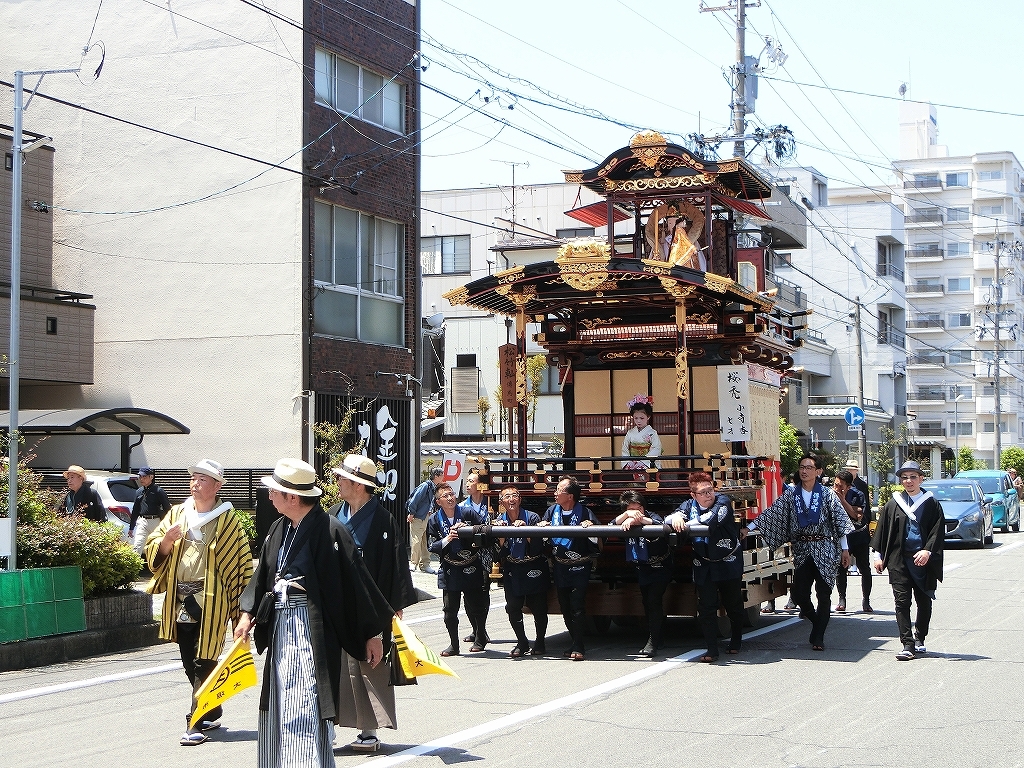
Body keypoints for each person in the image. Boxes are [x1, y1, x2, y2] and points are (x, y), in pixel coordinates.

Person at [235, 458, 394, 767]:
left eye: (275, 491)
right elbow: (262, 576)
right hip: (281, 628)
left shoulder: (332, 531)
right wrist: (246, 614)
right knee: (279, 700)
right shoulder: (279, 528)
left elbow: (357, 585)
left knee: (305, 701)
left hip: (311, 630)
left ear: (293, 497)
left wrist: (372, 633)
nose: (270, 496)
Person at [144, 459, 254, 746]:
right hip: (180, 599)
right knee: (187, 659)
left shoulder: (228, 520)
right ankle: (211, 707)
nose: (195, 483)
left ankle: (194, 722)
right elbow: (154, 547)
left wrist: (244, 612)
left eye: (203, 479)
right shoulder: (178, 513)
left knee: (203, 659)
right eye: (193, 478)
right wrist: (166, 542)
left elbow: (242, 565)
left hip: (212, 600)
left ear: (217, 486)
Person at [329, 454, 417, 753]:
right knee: (332, 666)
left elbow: (394, 568)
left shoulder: (383, 520)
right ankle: (327, 726)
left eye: (342, 478)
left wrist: (390, 611)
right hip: (336, 605)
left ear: (357, 484)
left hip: (370, 604)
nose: (337, 482)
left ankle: (368, 730)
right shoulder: (332, 515)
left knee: (369, 662)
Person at [742, 454, 852, 651]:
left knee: (824, 594)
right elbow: (771, 514)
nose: (804, 471)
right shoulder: (791, 494)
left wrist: (845, 549)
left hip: (825, 547)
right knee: (799, 593)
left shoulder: (827, 494)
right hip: (802, 548)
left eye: (809, 468)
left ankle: (818, 636)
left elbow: (840, 523)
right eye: (802, 467)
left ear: (818, 471)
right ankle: (816, 620)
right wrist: (748, 528)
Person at [666, 473, 744, 662]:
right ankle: (711, 649)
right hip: (703, 562)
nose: (709, 495)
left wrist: (684, 524)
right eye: (703, 492)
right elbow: (669, 519)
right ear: (693, 495)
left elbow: (710, 519)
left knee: (733, 603)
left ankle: (736, 639)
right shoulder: (688, 506)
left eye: (710, 490)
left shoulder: (723, 502)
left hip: (727, 560)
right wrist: (675, 518)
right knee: (706, 607)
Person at [872, 461, 945, 661]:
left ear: (921, 478)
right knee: (901, 602)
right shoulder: (894, 503)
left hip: (923, 561)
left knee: (924, 601)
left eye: (913, 477)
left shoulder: (931, 503)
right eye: (904, 477)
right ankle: (907, 643)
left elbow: (937, 531)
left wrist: (927, 551)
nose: (909, 481)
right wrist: (878, 556)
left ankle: (920, 637)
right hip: (899, 560)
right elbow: (882, 531)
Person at [538, 476, 599, 661]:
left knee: (577, 606)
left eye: (559, 490)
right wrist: (543, 528)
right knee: (564, 606)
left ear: (570, 496)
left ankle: (579, 645)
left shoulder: (585, 512)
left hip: (580, 566)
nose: (555, 493)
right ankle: (574, 641)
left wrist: (591, 529)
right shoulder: (551, 511)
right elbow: (544, 540)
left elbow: (598, 540)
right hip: (560, 566)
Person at [428, 482, 490, 656]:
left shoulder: (467, 513)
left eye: (451, 494)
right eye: (445, 496)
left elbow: (485, 532)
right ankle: (454, 645)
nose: (450, 498)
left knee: (476, 606)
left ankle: (481, 637)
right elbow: (431, 546)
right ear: (438, 501)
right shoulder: (434, 519)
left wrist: (469, 530)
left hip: (471, 565)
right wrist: (448, 538)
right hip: (450, 568)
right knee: (449, 610)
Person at [615, 490, 672, 658]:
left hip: (660, 565)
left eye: (639, 508)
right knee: (646, 601)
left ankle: (652, 643)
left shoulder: (651, 516)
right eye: (631, 509)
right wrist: (626, 516)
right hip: (642, 568)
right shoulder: (624, 518)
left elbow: (661, 524)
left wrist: (638, 519)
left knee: (654, 600)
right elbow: (612, 524)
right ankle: (658, 636)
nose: (636, 512)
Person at [494, 485, 549, 658]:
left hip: (533, 566)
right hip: (513, 567)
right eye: (507, 496)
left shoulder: (531, 517)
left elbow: (539, 547)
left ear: (520, 499)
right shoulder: (500, 520)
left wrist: (526, 530)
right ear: (501, 502)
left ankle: (540, 641)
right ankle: (522, 641)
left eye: (514, 495)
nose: (511, 499)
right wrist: (501, 535)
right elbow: (498, 553)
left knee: (539, 608)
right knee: (512, 607)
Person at [457, 469, 492, 647]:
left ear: (481, 484)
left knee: (483, 591)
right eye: (467, 481)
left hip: (485, 554)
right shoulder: (462, 506)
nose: (468, 484)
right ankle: (476, 629)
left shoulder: (490, 503)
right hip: (468, 555)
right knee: (468, 592)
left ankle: (481, 630)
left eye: (472, 481)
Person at [832, 470, 873, 613]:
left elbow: (857, 516)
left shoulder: (858, 494)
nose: (837, 488)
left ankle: (866, 600)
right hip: (842, 537)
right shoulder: (830, 495)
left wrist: (843, 501)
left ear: (849, 486)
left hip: (859, 536)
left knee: (864, 568)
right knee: (841, 568)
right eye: (835, 484)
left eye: (841, 486)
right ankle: (842, 599)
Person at [129, 467, 171, 557]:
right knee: (137, 546)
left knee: (157, 547)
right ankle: (133, 565)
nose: (141, 479)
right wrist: (131, 527)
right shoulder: (139, 491)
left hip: (156, 522)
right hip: (142, 521)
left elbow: (167, 509)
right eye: (140, 476)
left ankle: (159, 565)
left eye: (144, 476)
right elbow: (135, 510)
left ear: (151, 477)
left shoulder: (159, 491)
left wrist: (168, 524)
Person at [406, 467, 442, 574]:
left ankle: (425, 564)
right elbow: (414, 500)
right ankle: (414, 563)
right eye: (442, 475)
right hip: (418, 516)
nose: (443, 477)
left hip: (426, 517)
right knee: (416, 540)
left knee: (424, 541)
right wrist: (412, 513)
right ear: (436, 476)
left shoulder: (433, 486)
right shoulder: (426, 486)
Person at [621, 395, 662, 472]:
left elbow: (656, 449)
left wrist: (643, 462)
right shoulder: (630, 433)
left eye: (642, 418)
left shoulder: (652, 433)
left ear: (648, 417)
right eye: (636, 418)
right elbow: (625, 449)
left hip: (647, 465)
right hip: (632, 465)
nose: (638, 421)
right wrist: (628, 463)